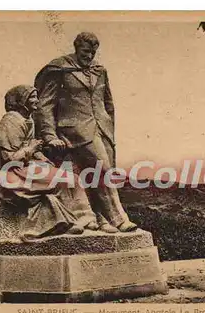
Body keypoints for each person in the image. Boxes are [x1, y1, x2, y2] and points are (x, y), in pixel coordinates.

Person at [34, 32, 137, 233]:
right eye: (85, 51)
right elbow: (45, 105)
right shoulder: (60, 68)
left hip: (101, 129)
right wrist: (49, 135)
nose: (89, 56)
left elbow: (108, 103)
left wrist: (109, 129)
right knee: (102, 171)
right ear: (76, 47)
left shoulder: (100, 71)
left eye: (92, 52)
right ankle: (118, 219)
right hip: (72, 130)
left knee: (89, 176)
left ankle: (100, 220)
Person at [0, 85, 98, 241]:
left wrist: (42, 157)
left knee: (71, 177)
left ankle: (85, 217)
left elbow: (29, 148)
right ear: (21, 101)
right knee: (63, 179)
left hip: (24, 167)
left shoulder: (28, 120)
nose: (37, 100)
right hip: (10, 173)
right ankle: (74, 219)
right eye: (33, 97)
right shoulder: (10, 122)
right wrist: (31, 149)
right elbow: (8, 159)